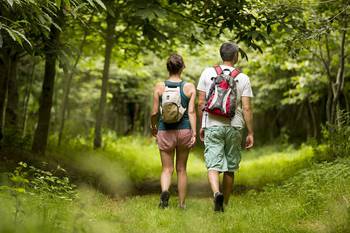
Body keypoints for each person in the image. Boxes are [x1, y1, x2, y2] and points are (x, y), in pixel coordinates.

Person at [197, 42, 254, 212]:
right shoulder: (243, 77)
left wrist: (203, 125)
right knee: (230, 167)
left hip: (212, 124)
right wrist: (250, 132)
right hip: (234, 125)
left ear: (221, 55)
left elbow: (201, 102)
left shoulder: (208, 73)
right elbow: (246, 108)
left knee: (213, 165)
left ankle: (216, 194)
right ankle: (225, 204)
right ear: (235, 56)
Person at [151, 54, 196, 209]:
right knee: (182, 169)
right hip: (184, 131)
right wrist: (194, 133)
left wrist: (153, 127)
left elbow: (154, 113)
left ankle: (164, 192)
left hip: (165, 131)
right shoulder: (189, 87)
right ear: (182, 67)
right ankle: (182, 204)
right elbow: (191, 112)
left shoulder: (159, 86)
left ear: (167, 68)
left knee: (166, 169)